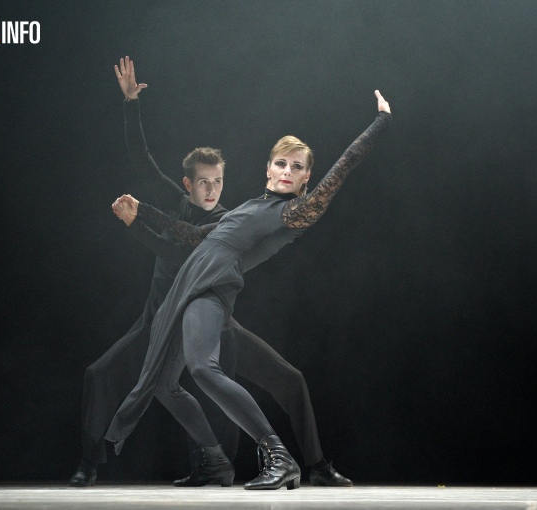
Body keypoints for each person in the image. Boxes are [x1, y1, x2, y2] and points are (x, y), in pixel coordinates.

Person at [70, 56, 354, 487]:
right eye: (203, 181)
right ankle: (91, 466)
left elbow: (205, 245)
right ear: (187, 185)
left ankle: (307, 464)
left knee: (274, 378)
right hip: (162, 315)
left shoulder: (232, 219)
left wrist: (136, 223)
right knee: (117, 377)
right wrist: (131, 106)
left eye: (218, 181)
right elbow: (148, 177)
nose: (211, 189)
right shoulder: (193, 213)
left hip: (209, 306)